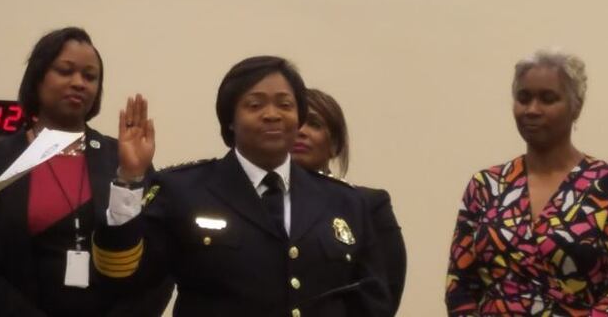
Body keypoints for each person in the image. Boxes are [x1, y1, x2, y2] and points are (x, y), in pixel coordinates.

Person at [93, 55, 391, 317]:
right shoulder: (184, 190)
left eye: (285, 105)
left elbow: (372, 301)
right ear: (230, 119)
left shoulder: (345, 202)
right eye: (255, 104)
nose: (272, 114)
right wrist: (130, 179)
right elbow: (122, 273)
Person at [0, 27, 173, 317]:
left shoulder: (122, 159)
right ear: (38, 78)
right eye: (65, 71)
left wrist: (131, 175)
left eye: (90, 76)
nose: (79, 83)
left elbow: (159, 264)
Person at [446, 49, 608, 316]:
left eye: (548, 99)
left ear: (576, 106)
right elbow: (460, 283)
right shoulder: (486, 186)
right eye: (523, 98)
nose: (532, 110)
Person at [291, 88, 406, 315]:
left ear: (335, 144)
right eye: (295, 124)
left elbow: (385, 291)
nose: (301, 132)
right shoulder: (256, 201)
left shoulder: (367, 204)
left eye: (314, 124)